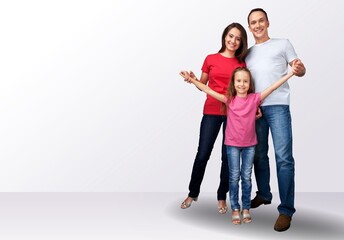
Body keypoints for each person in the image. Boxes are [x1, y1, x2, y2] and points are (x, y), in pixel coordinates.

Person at [180, 64, 297, 225]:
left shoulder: (255, 98)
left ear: (250, 84)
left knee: (246, 178)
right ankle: (235, 209)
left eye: (245, 81)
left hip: (250, 146)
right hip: (232, 146)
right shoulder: (229, 99)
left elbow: (273, 87)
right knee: (234, 178)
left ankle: (246, 208)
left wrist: (291, 74)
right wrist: (192, 80)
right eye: (238, 81)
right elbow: (208, 90)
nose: (242, 84)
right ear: (233, 83)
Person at [245, 8, 306, 232]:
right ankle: (264, 194)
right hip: (256, 110)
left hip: (279, 106)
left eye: (261, 20)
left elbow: (299, 69)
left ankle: (286, 210)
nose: (258, 25)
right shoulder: (248, 53)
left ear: (267, 22)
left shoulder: (283, 44)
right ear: (249, 27)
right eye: (253, 22)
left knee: (283, 158)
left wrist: (299, 69)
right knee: (259, 155)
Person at [179, 23, 248, 214]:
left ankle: (221, 196)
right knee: (203, 154)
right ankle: (193, 193)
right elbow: (203, 84)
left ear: (241, 42)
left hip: (233, 116)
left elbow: (243, 89)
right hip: (211, 112)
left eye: (238, 38)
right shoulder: (211, 58)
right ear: (224, 36)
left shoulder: (241, 63)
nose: (233, 41)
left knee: (227, 158)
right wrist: (192, 79)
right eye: (231, 36)